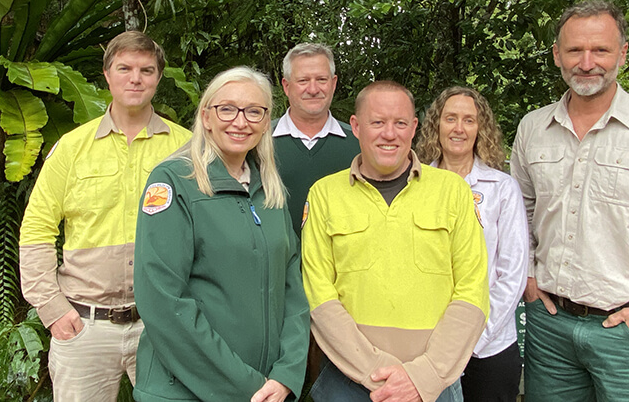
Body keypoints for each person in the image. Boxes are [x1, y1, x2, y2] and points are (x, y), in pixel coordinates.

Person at [510, 0, 629, 402]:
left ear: (623, 54)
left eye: (601, 50)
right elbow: (521, 212)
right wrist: (530, 278)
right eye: (575, 50)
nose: (586, 62)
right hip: (550, 329)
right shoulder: (533, 128)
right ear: (557, 54)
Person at [19, 31, 191, 402]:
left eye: (146, 70)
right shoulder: (72, 148)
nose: (135, 78)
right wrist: (51, 308)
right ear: (106, 74)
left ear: (159, 77)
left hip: (161, 324)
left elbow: (207, 230)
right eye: (124, 68)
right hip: (84, 326)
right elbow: (36, 229)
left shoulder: (186, 148)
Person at [302, 80, 489, 402]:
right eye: (377, 123)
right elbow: (318, 294)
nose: (390, 134)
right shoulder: (324, 195)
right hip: (347, 382)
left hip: (434, 383)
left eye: (400, 123)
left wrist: (423, 377)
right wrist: (376, 371)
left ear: (414, 127)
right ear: (356, 127)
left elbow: (473, 289)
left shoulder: (453, 191)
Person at [133, 66, 310, 402]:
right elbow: (162, 299)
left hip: (268, 389)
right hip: (186, 392)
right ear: (206, 116)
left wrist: (286, 373)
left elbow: (293, 290)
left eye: (254, 111)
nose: (240, 121)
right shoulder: (175, 181)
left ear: (266, 121)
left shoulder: (270, 190)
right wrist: (246, 386)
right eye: (227, 108)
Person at [417, 86, 528, 402]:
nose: (458, 128)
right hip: (427, 343)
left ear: (481, 128)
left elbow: (513, 273)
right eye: (450, 118)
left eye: (469, 120)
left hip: (489, 346)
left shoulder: (502, 188)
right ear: (436, 125)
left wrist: (472, 334)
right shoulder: (416, 184)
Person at [273, 43, 359, 234]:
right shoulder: (259, 141)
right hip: (276, 262)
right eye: (303, 80)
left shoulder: (359, 144)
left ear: (334, 83)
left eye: (321, 79)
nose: (313, 89)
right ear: (286, 86)